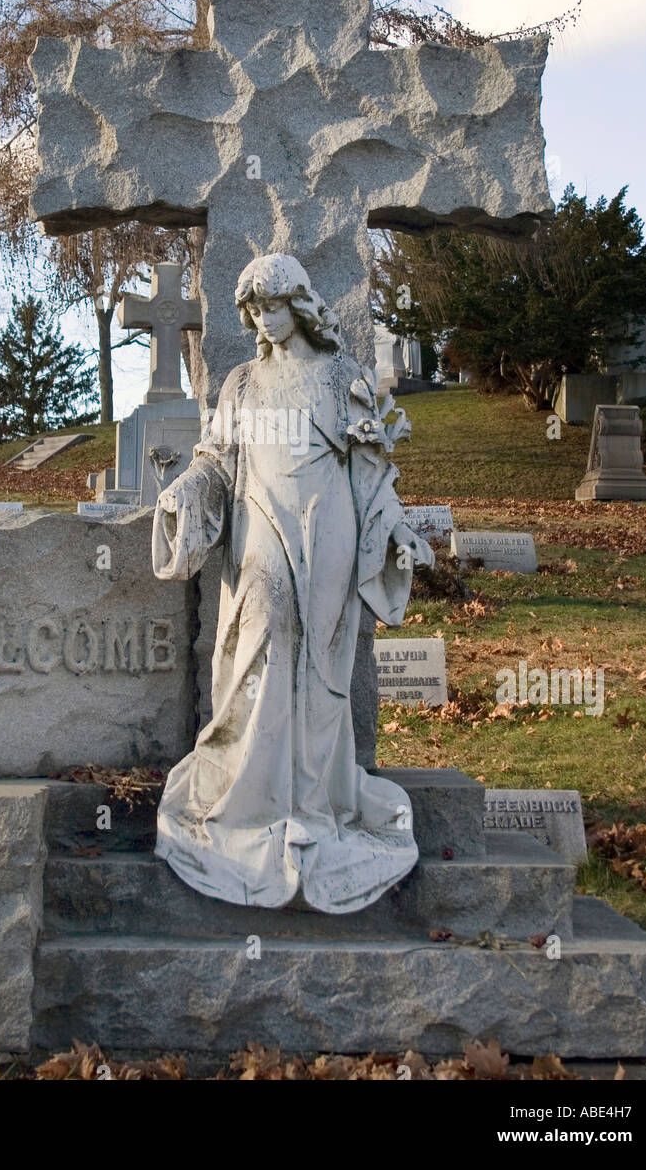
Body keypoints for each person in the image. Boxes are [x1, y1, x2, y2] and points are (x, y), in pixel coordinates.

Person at [152, 254, 434, 913]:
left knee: (319, 664)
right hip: (259, 529)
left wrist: (391, 532)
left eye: (273, 308)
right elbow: (217, 461)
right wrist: (188, 491)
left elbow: (370, 472)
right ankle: (248, 802)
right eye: (254, 312)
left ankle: (313, 800)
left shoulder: (341, 377)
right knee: (258, 642)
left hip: (329, 528)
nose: (264, 322)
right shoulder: (243, 384)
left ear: (300, 306)